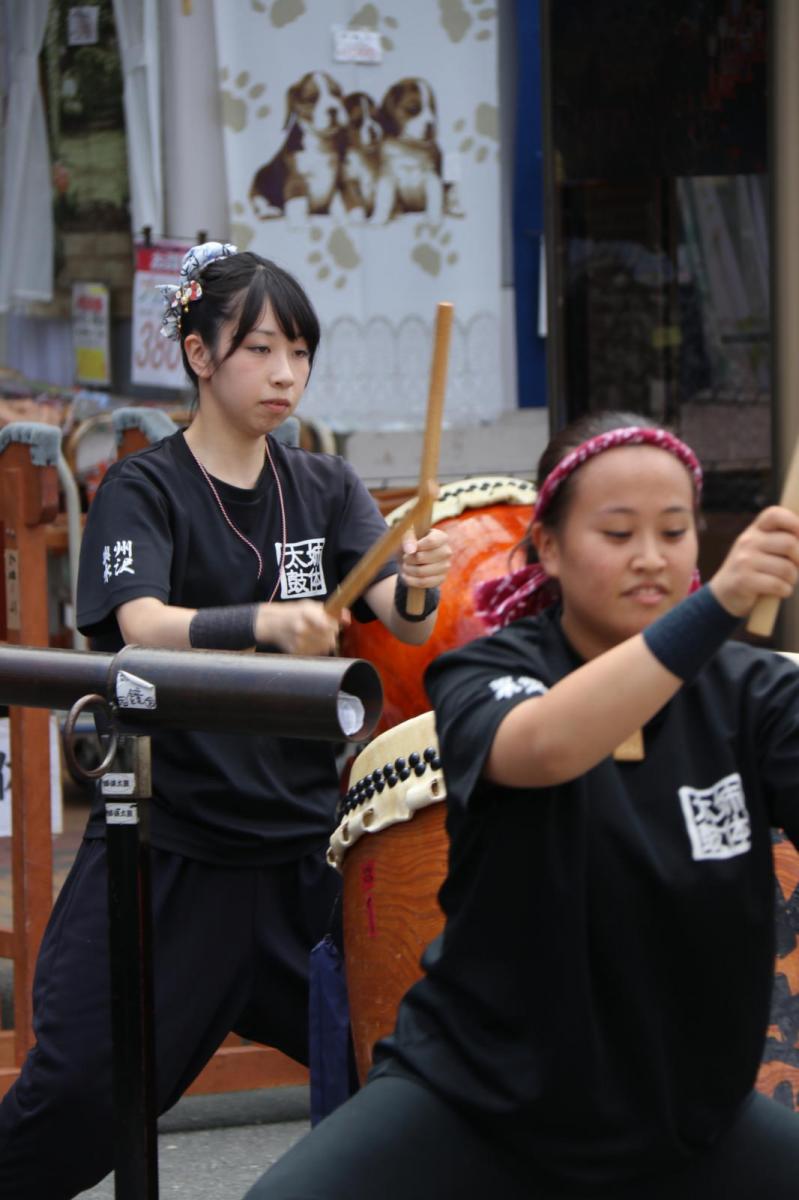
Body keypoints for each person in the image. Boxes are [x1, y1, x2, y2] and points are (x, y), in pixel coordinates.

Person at [243, 411, 799, 1200]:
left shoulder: (750, 694)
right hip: (476, 1102)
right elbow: (542, 746)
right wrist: (711, 613)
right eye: (616, 533)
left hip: (683, 1116)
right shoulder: (489, 670)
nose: (650, 557)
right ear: (546, 545)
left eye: (674, 532)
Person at [0, 241, 451, 1199]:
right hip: (172, 855)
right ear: (200, 357)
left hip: (304, 860)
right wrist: (257, 623)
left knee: (421, 1068)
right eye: (260, 349)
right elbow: (143, 629)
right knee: (77, 1098)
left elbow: (394, 616)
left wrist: (415, 584)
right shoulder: (142, 487)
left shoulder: (323, 487)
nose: (284, 372)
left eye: (299, 352)